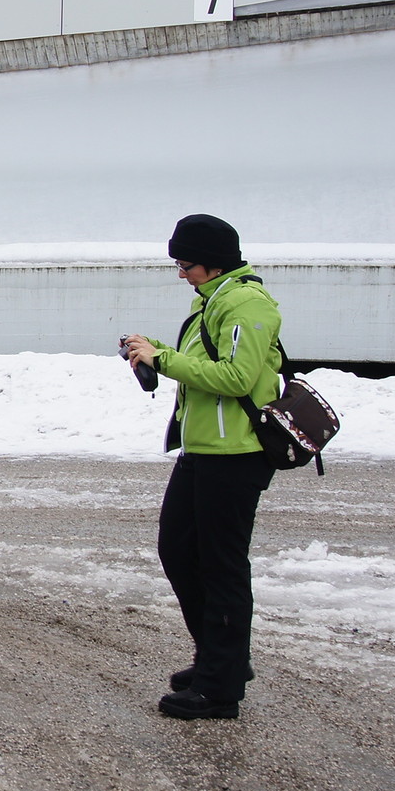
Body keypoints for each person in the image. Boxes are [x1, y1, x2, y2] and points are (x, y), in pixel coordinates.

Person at [124, 214, 282, 721]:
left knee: (222, 565)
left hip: (237, 455)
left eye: (185, 264)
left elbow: (236, 377)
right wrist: (153, 352)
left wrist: (164, 361)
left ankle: (220, 686)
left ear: (212, 262)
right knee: (177, 549)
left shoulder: (246, 304)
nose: (181, 274)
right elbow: (207, 368)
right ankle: (222, 656)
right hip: (203, 451)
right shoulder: (209, 302)